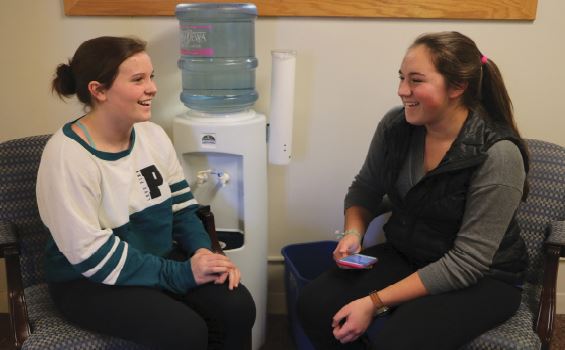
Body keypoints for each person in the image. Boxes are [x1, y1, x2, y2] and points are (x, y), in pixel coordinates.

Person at [297, 31, 529, 350]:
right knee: (314, 303)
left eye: (416, 80)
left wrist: (374, 301)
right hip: (411, 253)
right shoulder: (396, 127)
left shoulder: (498, 154)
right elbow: (366, 188)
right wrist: (353, 233)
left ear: (457, 87)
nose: (402, 91)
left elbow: (467, 262)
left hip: (485, 278)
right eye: (401, 77)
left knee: (399, 340)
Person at [37, 36, 255, 349]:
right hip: (87, 280)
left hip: (157, 257)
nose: (152, 87)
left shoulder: (152, 136)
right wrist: (180, 274)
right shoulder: (66, 157)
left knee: (237, 306)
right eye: (138, 80)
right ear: (98, 90)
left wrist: (203, 252)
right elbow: (92, 256)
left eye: (151, 77)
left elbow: (181, 207)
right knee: (183, 331)